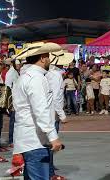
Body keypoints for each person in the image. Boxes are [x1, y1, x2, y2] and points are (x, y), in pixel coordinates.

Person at [12, 42, 63, 180]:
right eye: (48, 56)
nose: (49, 60)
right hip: (35, 141)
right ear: (42, 58)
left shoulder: (26, 76)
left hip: (28, 138)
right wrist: (53, 136)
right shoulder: (36, 78)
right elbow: (41, 110)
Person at [46, 50, 73, 180]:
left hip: (49, 112)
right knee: (51, 143)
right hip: (52, 114)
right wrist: (62, 115)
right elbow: (56, 97)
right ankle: (50, 172)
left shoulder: (49, 73)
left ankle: (49, 167)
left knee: (47, 143)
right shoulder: (55, 75)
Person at [5, 56, 22, 148]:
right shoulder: (11, 73)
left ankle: (14, 139)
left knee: (16, 121)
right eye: (18, 64)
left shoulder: (16, 72)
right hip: (13, 100)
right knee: (13, 121)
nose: (19, 65)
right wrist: (9, 102)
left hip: (17, 99)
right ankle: (11, 139)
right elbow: (7, 87)